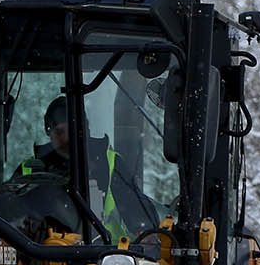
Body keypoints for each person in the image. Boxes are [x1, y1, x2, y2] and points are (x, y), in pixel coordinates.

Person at [14, 95, 155, 242]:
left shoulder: (109, 163)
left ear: (83, 128)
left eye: (69, 130)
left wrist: (145, 233)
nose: (65, 138)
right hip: (42, 258)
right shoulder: (31, 170)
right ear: (49, 134)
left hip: (104, 256)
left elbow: (137, 212)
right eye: (57, 132)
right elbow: (8, 214)